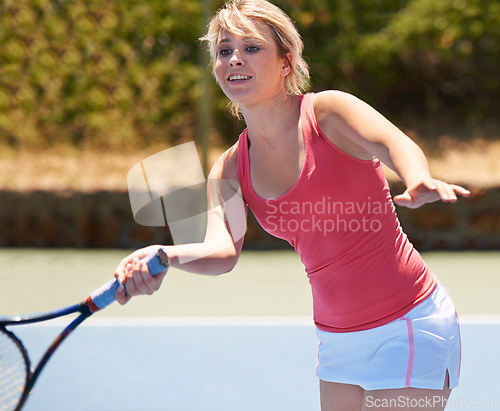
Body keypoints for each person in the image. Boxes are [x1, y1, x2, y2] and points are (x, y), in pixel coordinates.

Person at [114, 0, 470, 409]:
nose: (234, 59)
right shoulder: (229, 168)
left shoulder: (329, 112)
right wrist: (164, 255)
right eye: (224, 50)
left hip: (407, 324)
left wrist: (417, 177)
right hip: (337, 340)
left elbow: (393, 144)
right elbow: (222, 251)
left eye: (251, 48)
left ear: (286, 62)